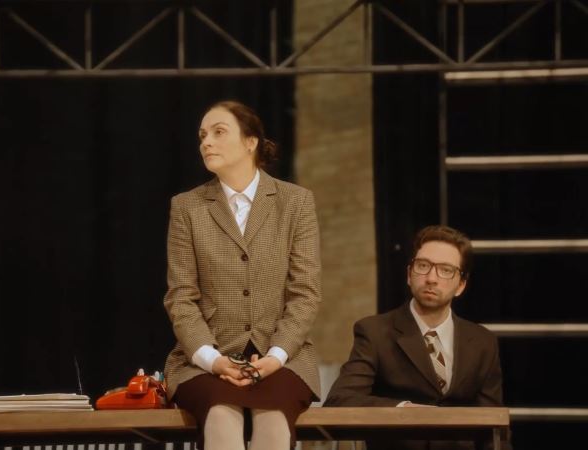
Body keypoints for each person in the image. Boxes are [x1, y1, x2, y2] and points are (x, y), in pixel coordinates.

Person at [163, 100, 321, 450]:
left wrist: (276, 356)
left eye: (219, 132)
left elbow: (305, 293)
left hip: (281, 357)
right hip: (206, 359)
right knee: (221, 415)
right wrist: (213, 360)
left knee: (273, 420)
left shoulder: (295, 202)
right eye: (202, 135)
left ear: (251, 142)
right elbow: (181, 297)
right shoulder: (187, 207)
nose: (206, 142)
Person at [325, 225, 510, 450]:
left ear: (461, 285)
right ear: (409, 274)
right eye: (423, 266)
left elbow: (492, 426)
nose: (431, 278)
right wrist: (403, 410)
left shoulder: (482, 342)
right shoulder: (375, 332)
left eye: (445, 270)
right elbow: (340, 400)